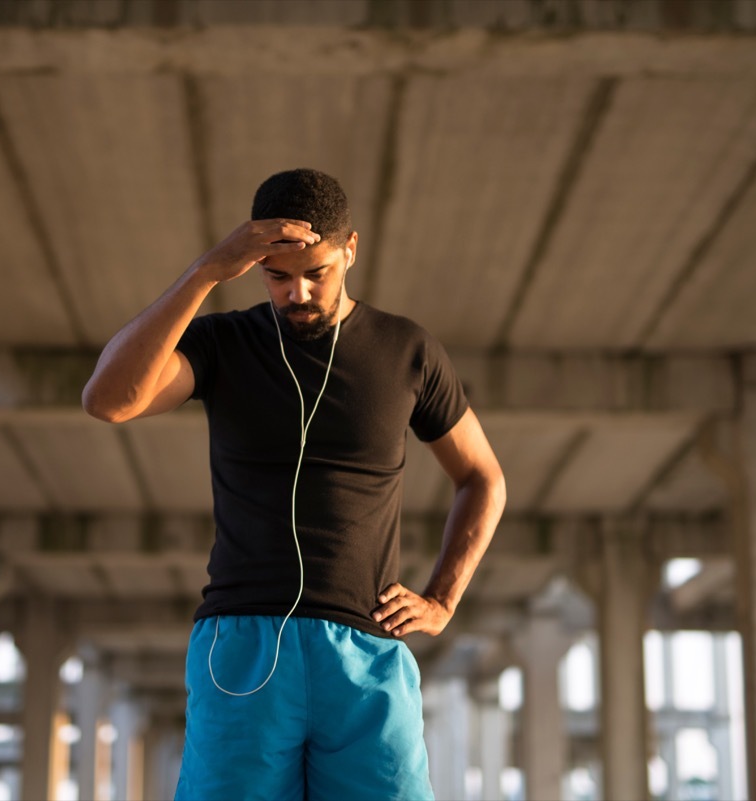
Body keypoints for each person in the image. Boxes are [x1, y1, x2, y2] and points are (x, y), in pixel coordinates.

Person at [82, 168, 506, 800]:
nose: (298, 292)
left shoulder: (406, 350)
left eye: (317, 273)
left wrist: (443, 598)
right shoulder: (224, 343)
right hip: (244, 646)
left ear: (350, 251)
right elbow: (108, 400)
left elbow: (482, 477)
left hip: (366, 651)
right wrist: (206, 272)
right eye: (277, 276)